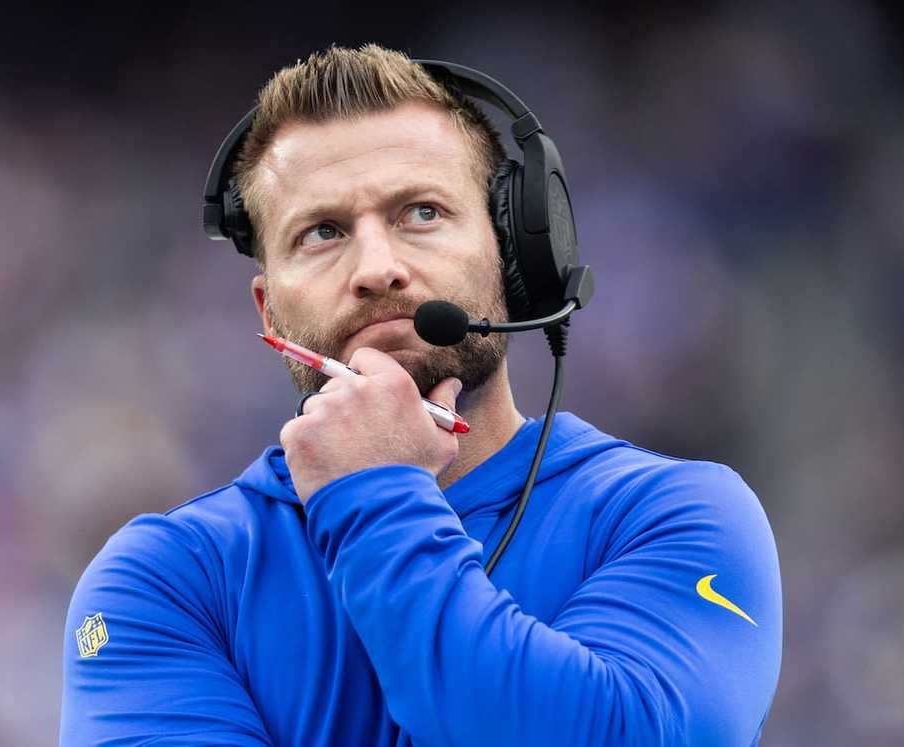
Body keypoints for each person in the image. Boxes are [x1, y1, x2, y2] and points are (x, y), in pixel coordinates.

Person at [60, 45, 782, 746]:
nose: (377, 268)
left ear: (514, 258)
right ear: (268, 313)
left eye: (422, 213)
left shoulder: (680, 516)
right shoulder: (164, 581)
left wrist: (376, 493)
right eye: (322, 232)